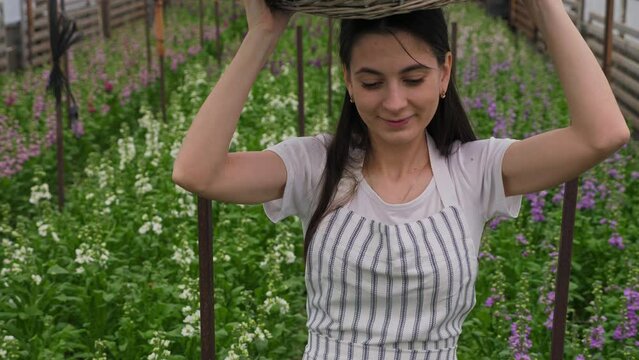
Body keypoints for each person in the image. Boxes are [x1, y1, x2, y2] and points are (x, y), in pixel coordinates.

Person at [172, 0, 631, 358]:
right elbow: (196, 171)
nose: (394, 103)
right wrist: (263, 32)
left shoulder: (475, 170)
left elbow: (602, 133)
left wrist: (544, 5)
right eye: (372, 83)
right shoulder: (316, 166)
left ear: (444, 73)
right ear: (348, 83)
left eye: (413, 79)